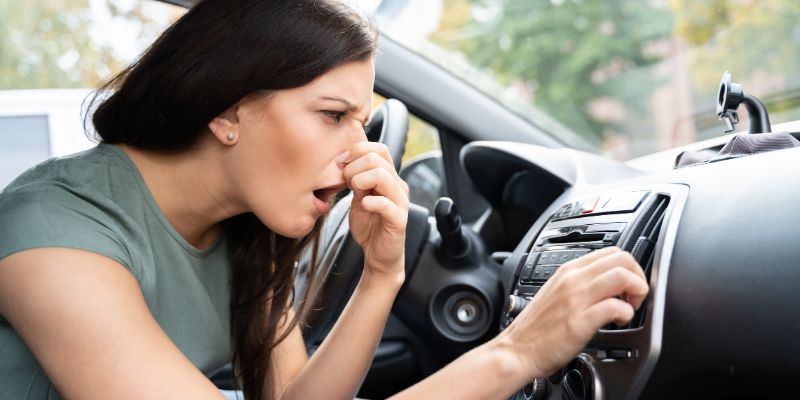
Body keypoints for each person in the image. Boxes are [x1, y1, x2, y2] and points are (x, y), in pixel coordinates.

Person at [0, 1, 649, 399]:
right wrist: (517, 353)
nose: (360, 152)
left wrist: (382, 274)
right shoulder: (54, 235)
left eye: (360, 122)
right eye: (332, 115)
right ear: (228, 111)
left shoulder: (241, 228)